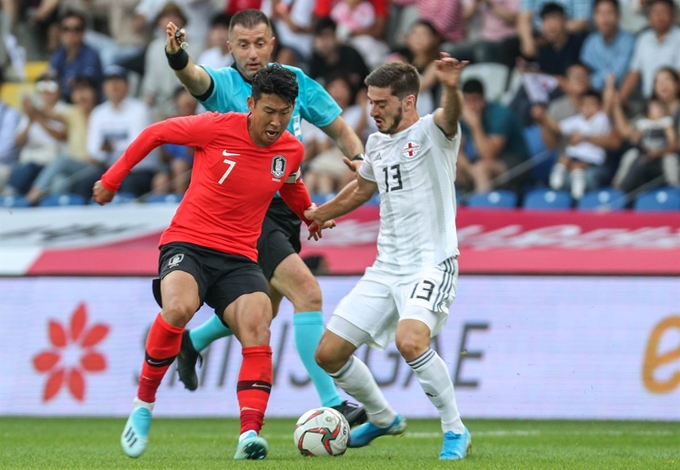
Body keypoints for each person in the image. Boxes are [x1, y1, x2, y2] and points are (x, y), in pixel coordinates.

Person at [94, 64, 324, 460]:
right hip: (190, 242)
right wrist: (113, 179)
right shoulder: (217, 126)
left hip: (239, 256)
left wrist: (308, 214)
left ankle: (249, 436)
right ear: (251, 104)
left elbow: (290, 183)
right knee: (179, 308)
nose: (276, 121)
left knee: (257, 326)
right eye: (269, 111)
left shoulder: (290, 149)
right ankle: (143, 405)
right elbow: (156, 133)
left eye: (285, 112)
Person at [163, 9, 367, 426]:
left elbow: (340, 128)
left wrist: (362, 159)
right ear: (230, 47)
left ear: (272, 43)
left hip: (285, 209)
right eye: (243, 45)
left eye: (259, 43)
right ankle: (333, 400)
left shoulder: (292, 81)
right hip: (247, 214)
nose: (252, 53)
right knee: (308, 293)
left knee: (267, 309)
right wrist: (177, 57)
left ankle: (193, 342)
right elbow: (194, 78)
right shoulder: (223, 84)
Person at [304, 57, 472, 460]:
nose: (372, 110)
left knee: (411, 341)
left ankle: (455, 430)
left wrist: (451, 85)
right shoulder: (377, 144)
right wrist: (322, 213)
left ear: (408, 102)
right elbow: (362, 189)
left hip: (431, 263)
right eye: (370, 102)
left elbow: (451, 114)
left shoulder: (434, 130)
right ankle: (382, 418)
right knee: (328, 354)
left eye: (380, 103)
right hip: (385, 269)